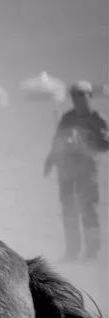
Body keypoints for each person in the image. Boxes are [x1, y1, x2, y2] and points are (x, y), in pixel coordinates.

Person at [44, 80, 109, 261]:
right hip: (67, 173)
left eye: (81, 94)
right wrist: (50, 161)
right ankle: (72, 251)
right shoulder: (67, 118)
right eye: (74, 95)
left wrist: (87, 142)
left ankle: (92, 252)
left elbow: (105, 145)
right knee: (69, 212)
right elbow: (57, 141)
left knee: (88, 210)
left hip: (87, 173)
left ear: (89, 96)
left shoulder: (97, 119)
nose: (77, 99)